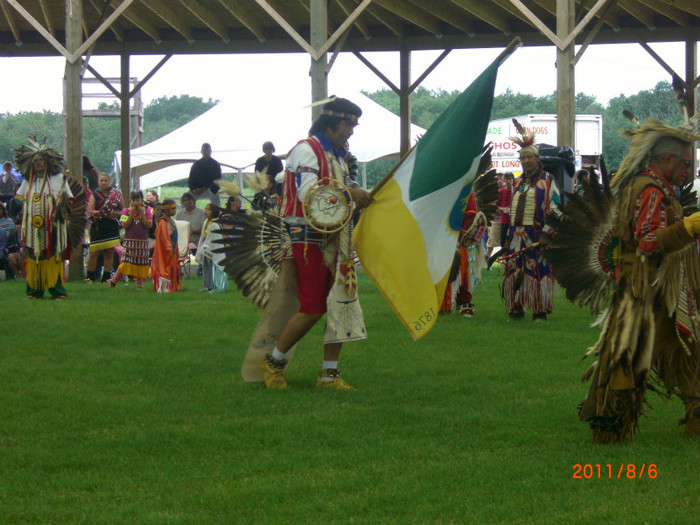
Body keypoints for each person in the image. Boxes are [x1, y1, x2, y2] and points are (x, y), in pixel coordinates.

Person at [575, 122, 700, 442]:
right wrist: (688, 227)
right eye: (686, 163)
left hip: (657, 287)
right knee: (629, 358)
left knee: (686, 349)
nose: (689, 169)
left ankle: (694, 416)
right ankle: (611, 427)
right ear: (667, 160)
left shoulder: (651, 187)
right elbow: (647, 242)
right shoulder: (650, 190)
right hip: (649, 289)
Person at [259, 97, 372, 390]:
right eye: (349, 124)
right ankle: (273, 362)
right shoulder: (307, 150)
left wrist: (360, 201)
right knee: (312, 306)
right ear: (333, 121)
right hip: (308, 239)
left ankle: (329, 374)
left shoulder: (337, 156)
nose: (352, 131)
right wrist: (351, 194)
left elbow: (340, 204)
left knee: (340, 303)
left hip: (337, 238)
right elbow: (311, 196)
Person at [502, 127, 562, 321]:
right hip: (515, 236)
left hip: (537, 235)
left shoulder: (547, 180)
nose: (526, 161)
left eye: (529, 157)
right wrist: (506, 238)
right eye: (523, 158)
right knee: (515, 270)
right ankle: (516, 307)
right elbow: (511, 212)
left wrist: (546, 233)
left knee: (537, 271)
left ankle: (539, 310)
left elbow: (557, 209)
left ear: (537, 159)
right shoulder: (518, 183)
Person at [14, 143, 73, 299]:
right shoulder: (29, 180)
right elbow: (19, 199)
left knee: (52, 256)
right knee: (34, 256)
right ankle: (34, 291)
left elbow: (70, 200)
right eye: (35, 160)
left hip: (52, 227)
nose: (38, 163)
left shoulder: (58, 178)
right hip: (32, 228)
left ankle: (57, 291)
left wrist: (61, 203)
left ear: (47, 161)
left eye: (40, 160)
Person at [439, 192, 487, 317]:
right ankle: (441, 303)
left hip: (461, 237)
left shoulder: (466, 190)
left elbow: (470, 214)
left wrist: (462, 238)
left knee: (463, 270)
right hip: (442, 234)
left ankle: (463, 302)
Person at [85, 172, 124, 283]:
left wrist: (116, 214)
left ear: (109, 181)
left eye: (105, 181)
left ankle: (106, 277)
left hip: (111, 226)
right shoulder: (95, 194)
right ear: (98, 182)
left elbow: (123, 210)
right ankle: (90, 277)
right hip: (98, 226)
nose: (103, 183)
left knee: (109, 252)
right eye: (101, 181)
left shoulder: (116, 194)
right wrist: (103, 213)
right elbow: (90, 211)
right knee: (94, 252)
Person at [109, 190, 152, 289]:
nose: (136, 202)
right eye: (134, 200)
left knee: (141, 262)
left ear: (142, 200)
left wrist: (142, 214)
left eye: (138, 200)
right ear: (131, 201)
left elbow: (148, 225)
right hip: (130, 242)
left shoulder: (148, 210)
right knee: (125, 262)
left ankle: (139, 284)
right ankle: (113, 281)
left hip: (142, 242)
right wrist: (131, 215)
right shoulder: (125, 211)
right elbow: (125, 225)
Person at [196, 206, 230, 293]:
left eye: (208, 209)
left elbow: (213, 238)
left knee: (214, 268)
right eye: (205, 209)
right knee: (207, 268)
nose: (205, 211)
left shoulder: (215, 224)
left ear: (213, 212)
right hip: (206, 248)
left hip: (213, 249)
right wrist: (202, 247)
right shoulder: (206, 222)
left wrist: (204, 247)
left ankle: (217, 286)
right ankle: (208, 286)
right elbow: (203, 236)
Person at [151, 199, 181, 293]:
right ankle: (165, 287)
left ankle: (172, 286)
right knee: (166, 268)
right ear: (167, 210)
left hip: (172, 249)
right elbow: (164, 238)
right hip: (166, 251)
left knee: (172, 267)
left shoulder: (170, 221)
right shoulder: (163, 222)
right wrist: (169, 249)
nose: (175, 211)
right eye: (173, 209)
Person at [0, 202, 22, 280]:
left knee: (12, 256)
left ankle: (17, 277)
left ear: (3, 210)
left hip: (7, 249)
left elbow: (13, 239)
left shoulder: (9, 222)